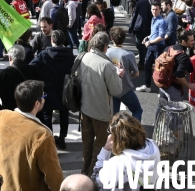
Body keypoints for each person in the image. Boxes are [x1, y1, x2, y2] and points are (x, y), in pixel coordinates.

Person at [0, 80, 64, 191]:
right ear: (37, 103)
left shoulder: (1, 116)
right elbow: (53, 176)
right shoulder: (42, 135)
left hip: (0, 186)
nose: (44, 99)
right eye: (43, 96)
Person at [77, 32, 124, 175]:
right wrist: (119, 76)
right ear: (105, 46)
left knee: (87, 144)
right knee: (100, 146)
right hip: (102, 113)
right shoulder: (107, 65)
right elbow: (116, 90)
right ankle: (92, 176)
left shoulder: (83, 57)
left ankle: (84, 171)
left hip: (85, 108)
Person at [30, 30, 75, 150]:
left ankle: (49, 139)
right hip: (65, 88)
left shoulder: (44, 54)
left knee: (47, 114)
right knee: (64, 114)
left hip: (48, 87)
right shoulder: (69, 54)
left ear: (52, 40)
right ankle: (62, 138)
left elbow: (31, 66)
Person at [92, 112, 160, 190]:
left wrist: (105, 150)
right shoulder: (153, 147)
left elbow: (96, 181)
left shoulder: (115, 165)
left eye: (110, 133)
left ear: (118, 139)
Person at [0, 44, 42, 112]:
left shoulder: (1, 76)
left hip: (10, 114)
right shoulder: (35, 71)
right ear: (23, 56)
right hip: (31, 114)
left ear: (10, 58)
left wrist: (2, 112)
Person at [108, 27, 142, 120]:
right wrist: (128, 76)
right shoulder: (128, 54)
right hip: (125, 88)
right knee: (137, 110)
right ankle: (134, 130)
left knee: (114, 115)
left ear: (111, 38)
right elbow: (137, 73)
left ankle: (113, 132)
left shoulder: (107, 52)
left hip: (112, 87)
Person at [136, 3, 166, 93]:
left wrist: (150, 42)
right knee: (147, 66)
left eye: (156, 9)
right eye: (153, 9)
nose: (154, 11)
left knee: (159, 69)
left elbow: (161, 36)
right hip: (151, 46)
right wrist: (148, 37)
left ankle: (162, 90)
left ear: (160, 10)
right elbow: (154, 33)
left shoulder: (162, 21)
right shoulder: (153, 19)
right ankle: (147, 86)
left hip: (158, 47)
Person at [128, 0, 152, 69]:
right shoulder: (145, 0)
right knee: (142, 46)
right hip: (144, 27)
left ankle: (142, 63)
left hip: (141, 27)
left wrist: (133, 27)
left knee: (140, 45)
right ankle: (145, 61)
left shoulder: (142, 1)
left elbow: (139, 16)